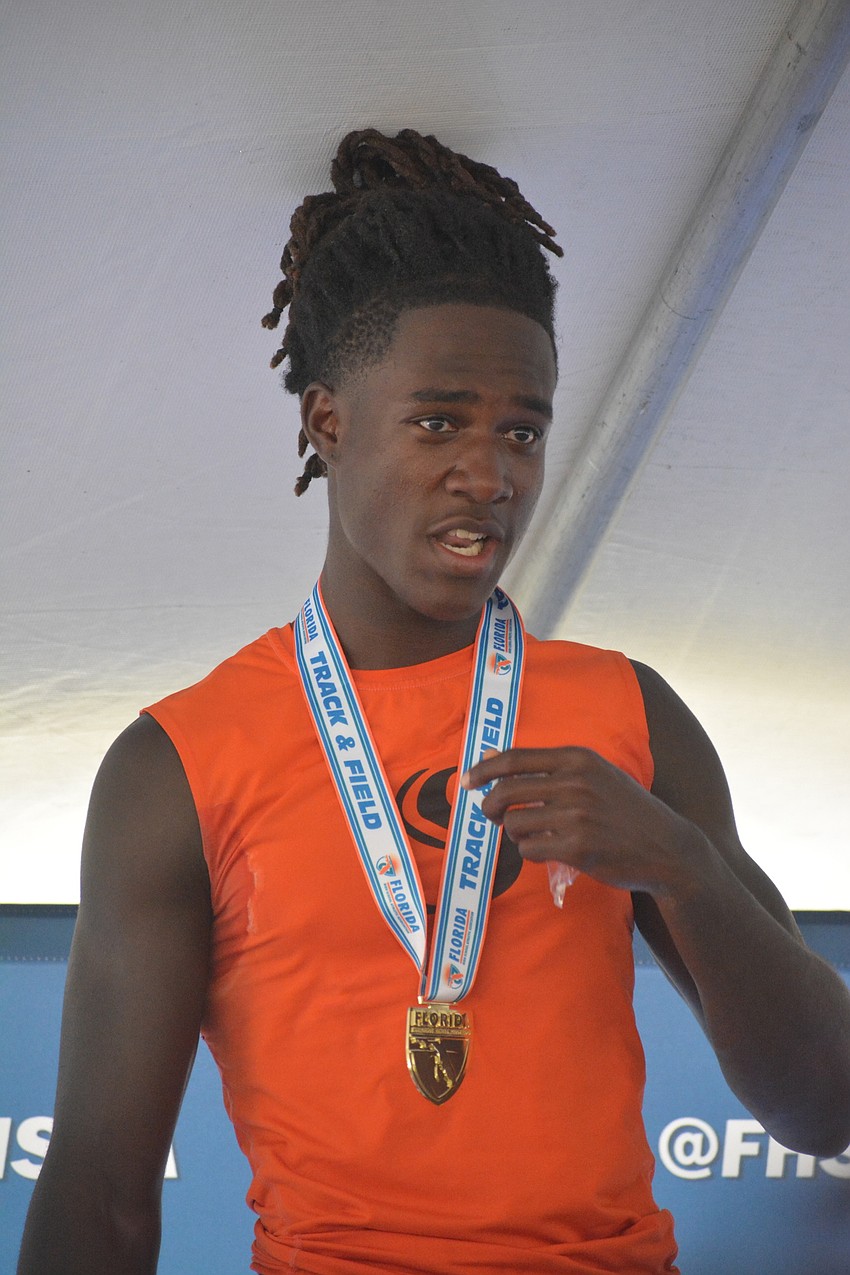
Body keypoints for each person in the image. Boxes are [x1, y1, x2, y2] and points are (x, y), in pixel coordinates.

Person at [17, 127, 850, 1275]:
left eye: (522, 429)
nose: (489, 471)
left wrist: (681, 868)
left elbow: (825, 1109)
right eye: (438, 421)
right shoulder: (179, 760)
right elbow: (103, 1191)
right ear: (328, 422)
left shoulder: (625, 711)